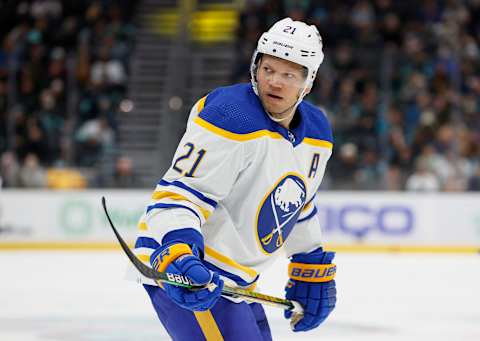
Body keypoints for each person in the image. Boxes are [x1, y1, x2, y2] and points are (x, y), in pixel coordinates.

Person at [133, 18, 337, 340]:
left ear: (307, 83)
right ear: (255, 67)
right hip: (190, 271)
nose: (275, 82)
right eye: (268, 69)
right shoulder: (230, 115)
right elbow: (181, 194)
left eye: (289, 75)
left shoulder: (317, 133)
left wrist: (309, 260)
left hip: (236, 284)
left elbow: (299, 202)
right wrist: (179, 251)